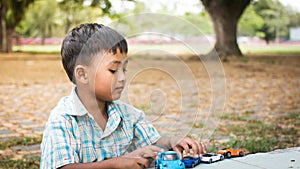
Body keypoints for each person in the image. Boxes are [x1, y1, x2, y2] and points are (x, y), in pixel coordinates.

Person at [40, 23, 206, 169]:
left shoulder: (129, 116)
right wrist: (117, 163)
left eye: (124, 70)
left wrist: (171, 142)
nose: (122, 77)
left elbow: (153, 142)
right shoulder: (62, 120)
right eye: (113, 70)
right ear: (82, 75)